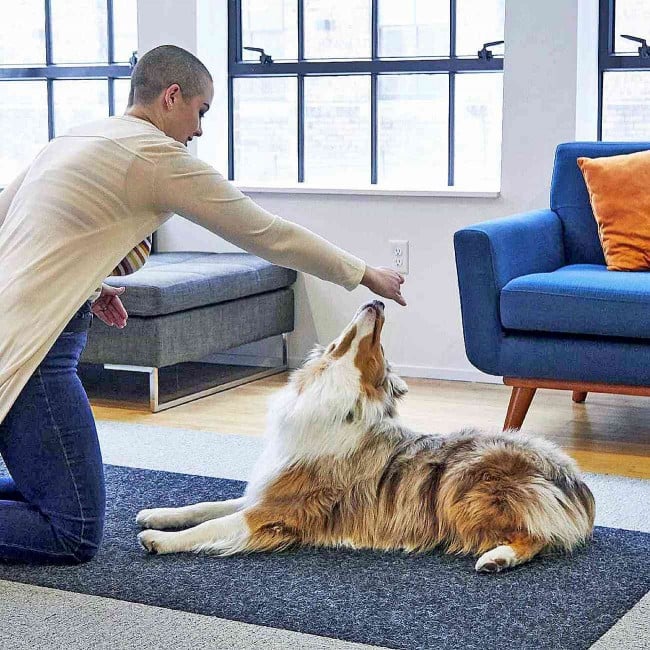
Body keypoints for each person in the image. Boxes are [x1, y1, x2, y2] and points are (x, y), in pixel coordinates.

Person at [0, 45, 405, 565]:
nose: (198, 129)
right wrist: (363, 272)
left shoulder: (76, 136)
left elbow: (14, 231)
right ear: (172, 97)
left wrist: (88, 288)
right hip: (35, 354)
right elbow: (266, 232)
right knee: (72, 530)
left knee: (60, 498)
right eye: (201, 111)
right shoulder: (155, 156)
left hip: (30, 335)